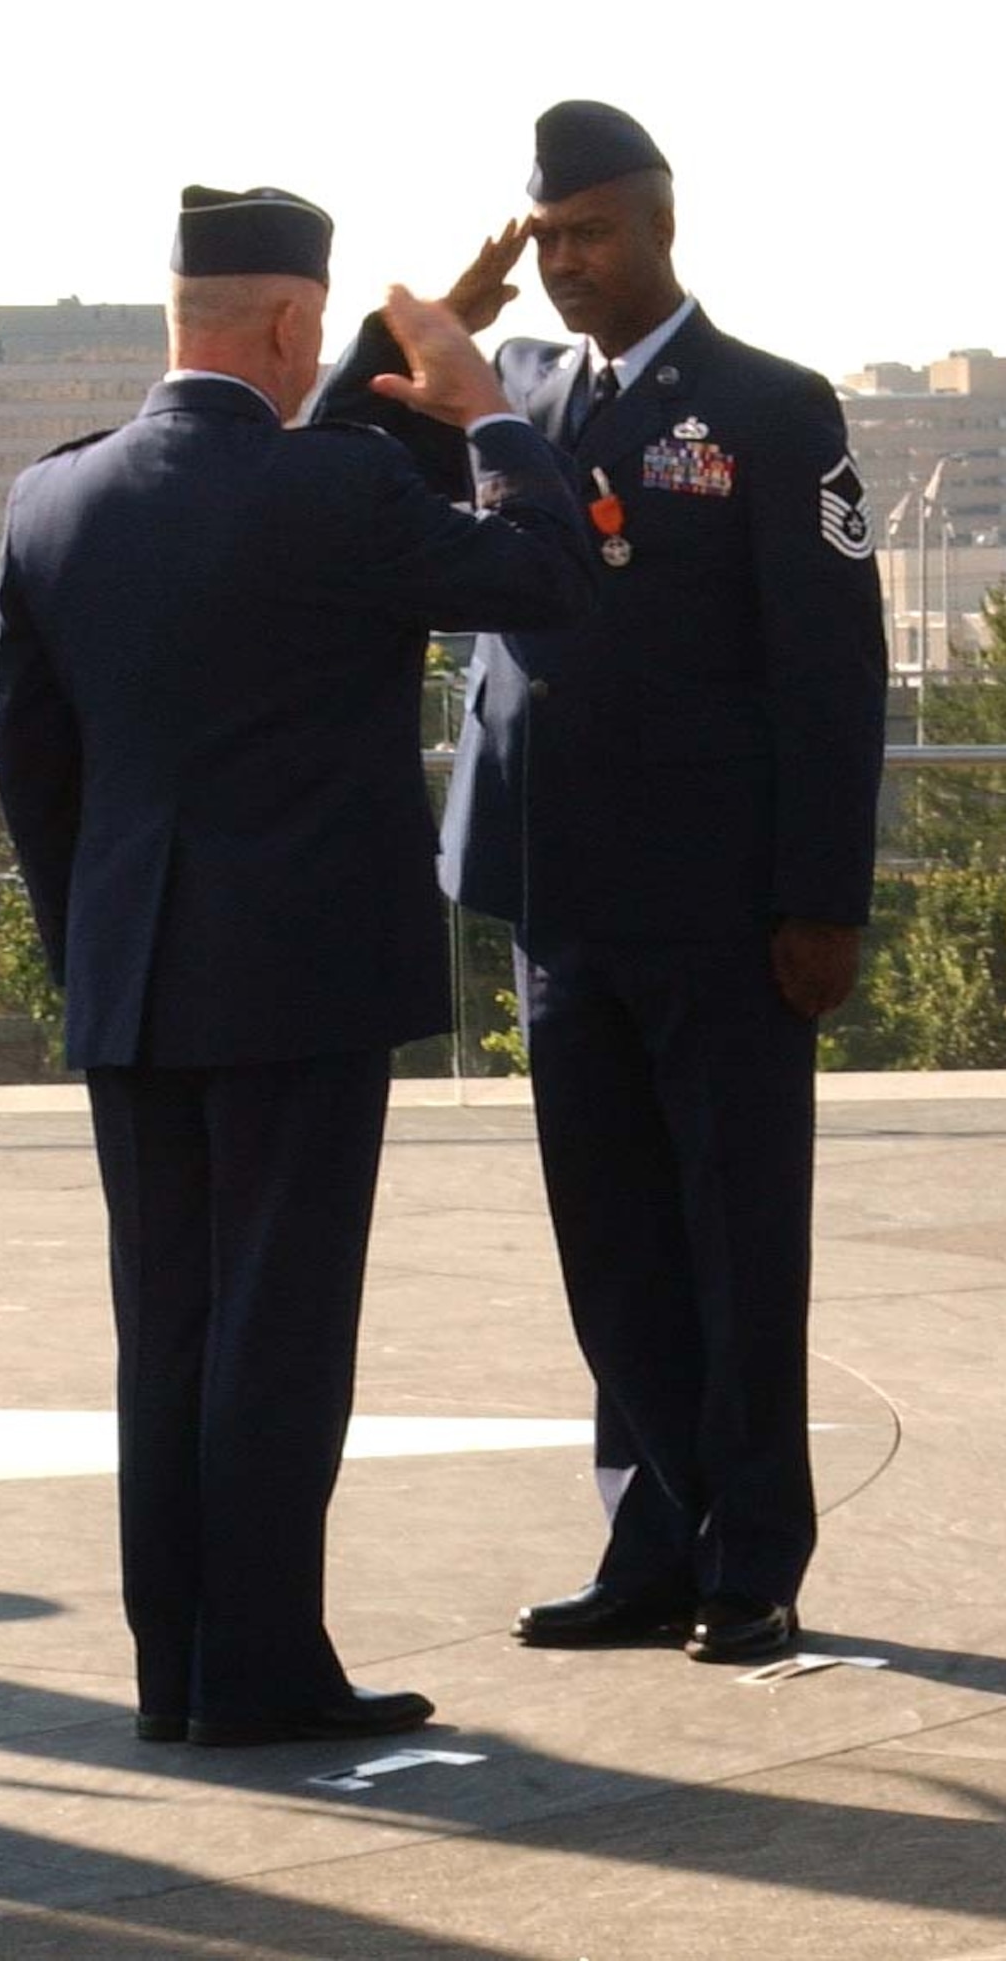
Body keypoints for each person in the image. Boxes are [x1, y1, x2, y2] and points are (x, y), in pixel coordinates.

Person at [0, 183, 593, 1745]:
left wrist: (99, 960)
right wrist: (486, 413)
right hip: (301, 985)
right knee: (279, 1331)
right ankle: (261, 1671)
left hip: (131, 982)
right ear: (292, 322)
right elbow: (549, 582)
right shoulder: (332, 499)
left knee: (168, 1332)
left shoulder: (54, 500)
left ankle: (176, 1671)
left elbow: (34, 773)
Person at [316, 103, 887, 1663]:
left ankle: (753, 1556)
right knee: (614, 1243)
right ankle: (650, 1540)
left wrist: (824, 898)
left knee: (737, 1238)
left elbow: (833, 672)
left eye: (594, 235)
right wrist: (444, 318)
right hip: (557, 899)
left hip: (723, 908)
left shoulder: (769, 407)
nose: (570, 264)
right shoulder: (521, 396)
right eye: (549, 238)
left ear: (661, 226)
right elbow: (326, 462)